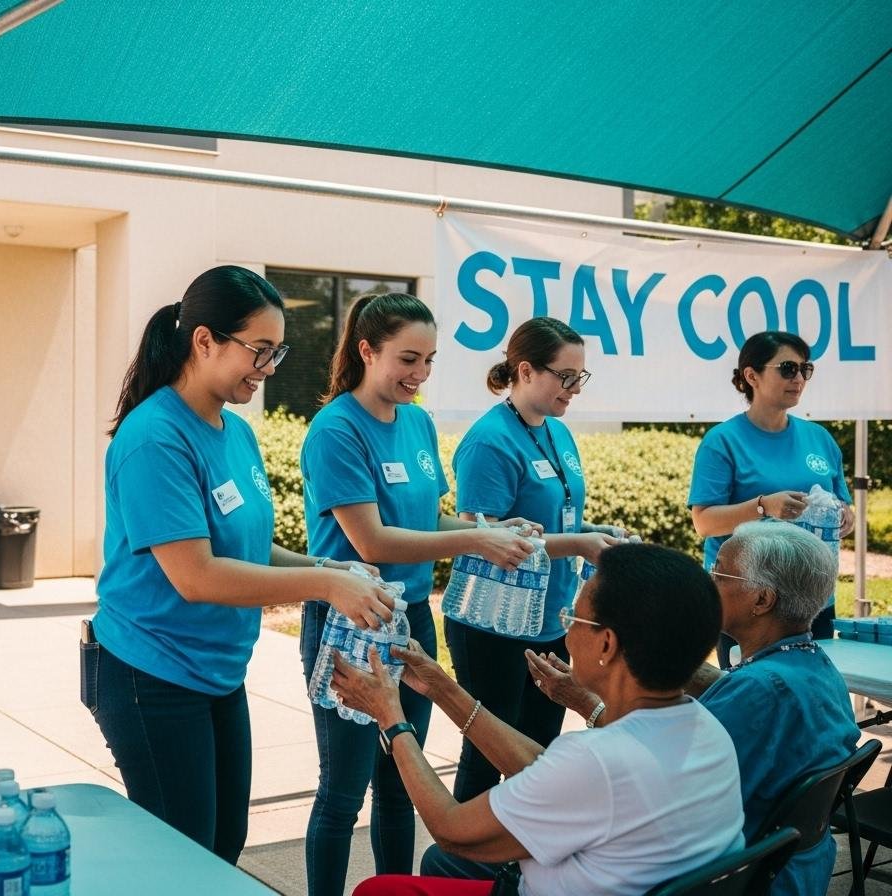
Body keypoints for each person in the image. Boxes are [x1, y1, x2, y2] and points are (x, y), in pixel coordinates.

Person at [86, 266, 394, 865]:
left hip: (217, 672)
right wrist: (325, 583)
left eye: (278, 352)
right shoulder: (154, 437)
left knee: (223, 849)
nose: (268, 368)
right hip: (150, 673)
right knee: (184, 861)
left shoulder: (234, 432)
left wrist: (336, 569)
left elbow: (249, 550)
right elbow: (197, 575)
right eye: (259, 351)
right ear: (204, 341)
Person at [332, 542, 744, 896]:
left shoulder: (597, 760)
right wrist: (443, 688)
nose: (566, 633)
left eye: (574, 619)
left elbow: (453, 829)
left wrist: (392, 718)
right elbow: (550, 774)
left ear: (607, 643)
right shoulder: (708, 729)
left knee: (379, 889)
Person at [299, 293, 538, 896]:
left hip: (408, 620)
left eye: (430, 360)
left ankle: (398, 891)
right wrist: (474, 543)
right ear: (365, 350)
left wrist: (484, 530)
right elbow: (371, 539)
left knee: (401, 775)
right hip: (349, 623)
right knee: (343, 790)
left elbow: (429, 518)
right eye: (408, 359)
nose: (420, 375)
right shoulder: (335, 429)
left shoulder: (418, 422)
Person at [530, 521, 859, 896]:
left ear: (762, 601)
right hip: (799, 865)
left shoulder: (758, 693)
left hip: (736, 879)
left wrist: (583, 700)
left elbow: (654, 768)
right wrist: (660, 653)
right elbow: (733, 687)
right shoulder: (813, 665)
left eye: (718, 574)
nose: (706, 582)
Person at [445, 316, 625, 805]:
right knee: (488, 751)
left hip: (550, 618)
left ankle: (520, 865)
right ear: (525, 371)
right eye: (566, 377)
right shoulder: (489, 441)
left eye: (580, 377)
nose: (575, 389)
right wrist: (581, 545)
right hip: (495, 625)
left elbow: (554, 521)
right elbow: (490, 543)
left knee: (539, 753)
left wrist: (596, 534)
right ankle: (468, 866)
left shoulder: (555, 431)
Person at [689, 330, 854, 667]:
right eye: (787, 369)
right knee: (751, 704)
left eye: (804, 370)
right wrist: (764, 506)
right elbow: (704, 522)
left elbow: (841, 504)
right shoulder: (723, 441)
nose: (799, 379)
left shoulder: (818, 437)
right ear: (752, 376)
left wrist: (844, 516)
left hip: (812, 597)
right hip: (749, 601)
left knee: (808, 696)